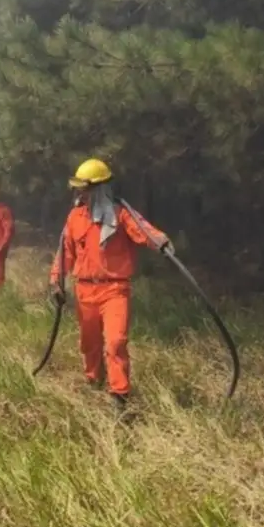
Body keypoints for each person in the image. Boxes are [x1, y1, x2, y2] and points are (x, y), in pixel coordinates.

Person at [48, 158, 172, 412]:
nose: (78, 193)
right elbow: (65, 253)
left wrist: (161, 241)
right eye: (77, 188)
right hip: (85, 290)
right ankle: (93, 381)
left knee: (115, 342)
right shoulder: (74, 217)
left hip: (115, 290)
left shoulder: (120, 214)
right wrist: (56, 281)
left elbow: (143, 231)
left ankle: (119, 395)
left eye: (84, 188)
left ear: (99, 188)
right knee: (89, 343)